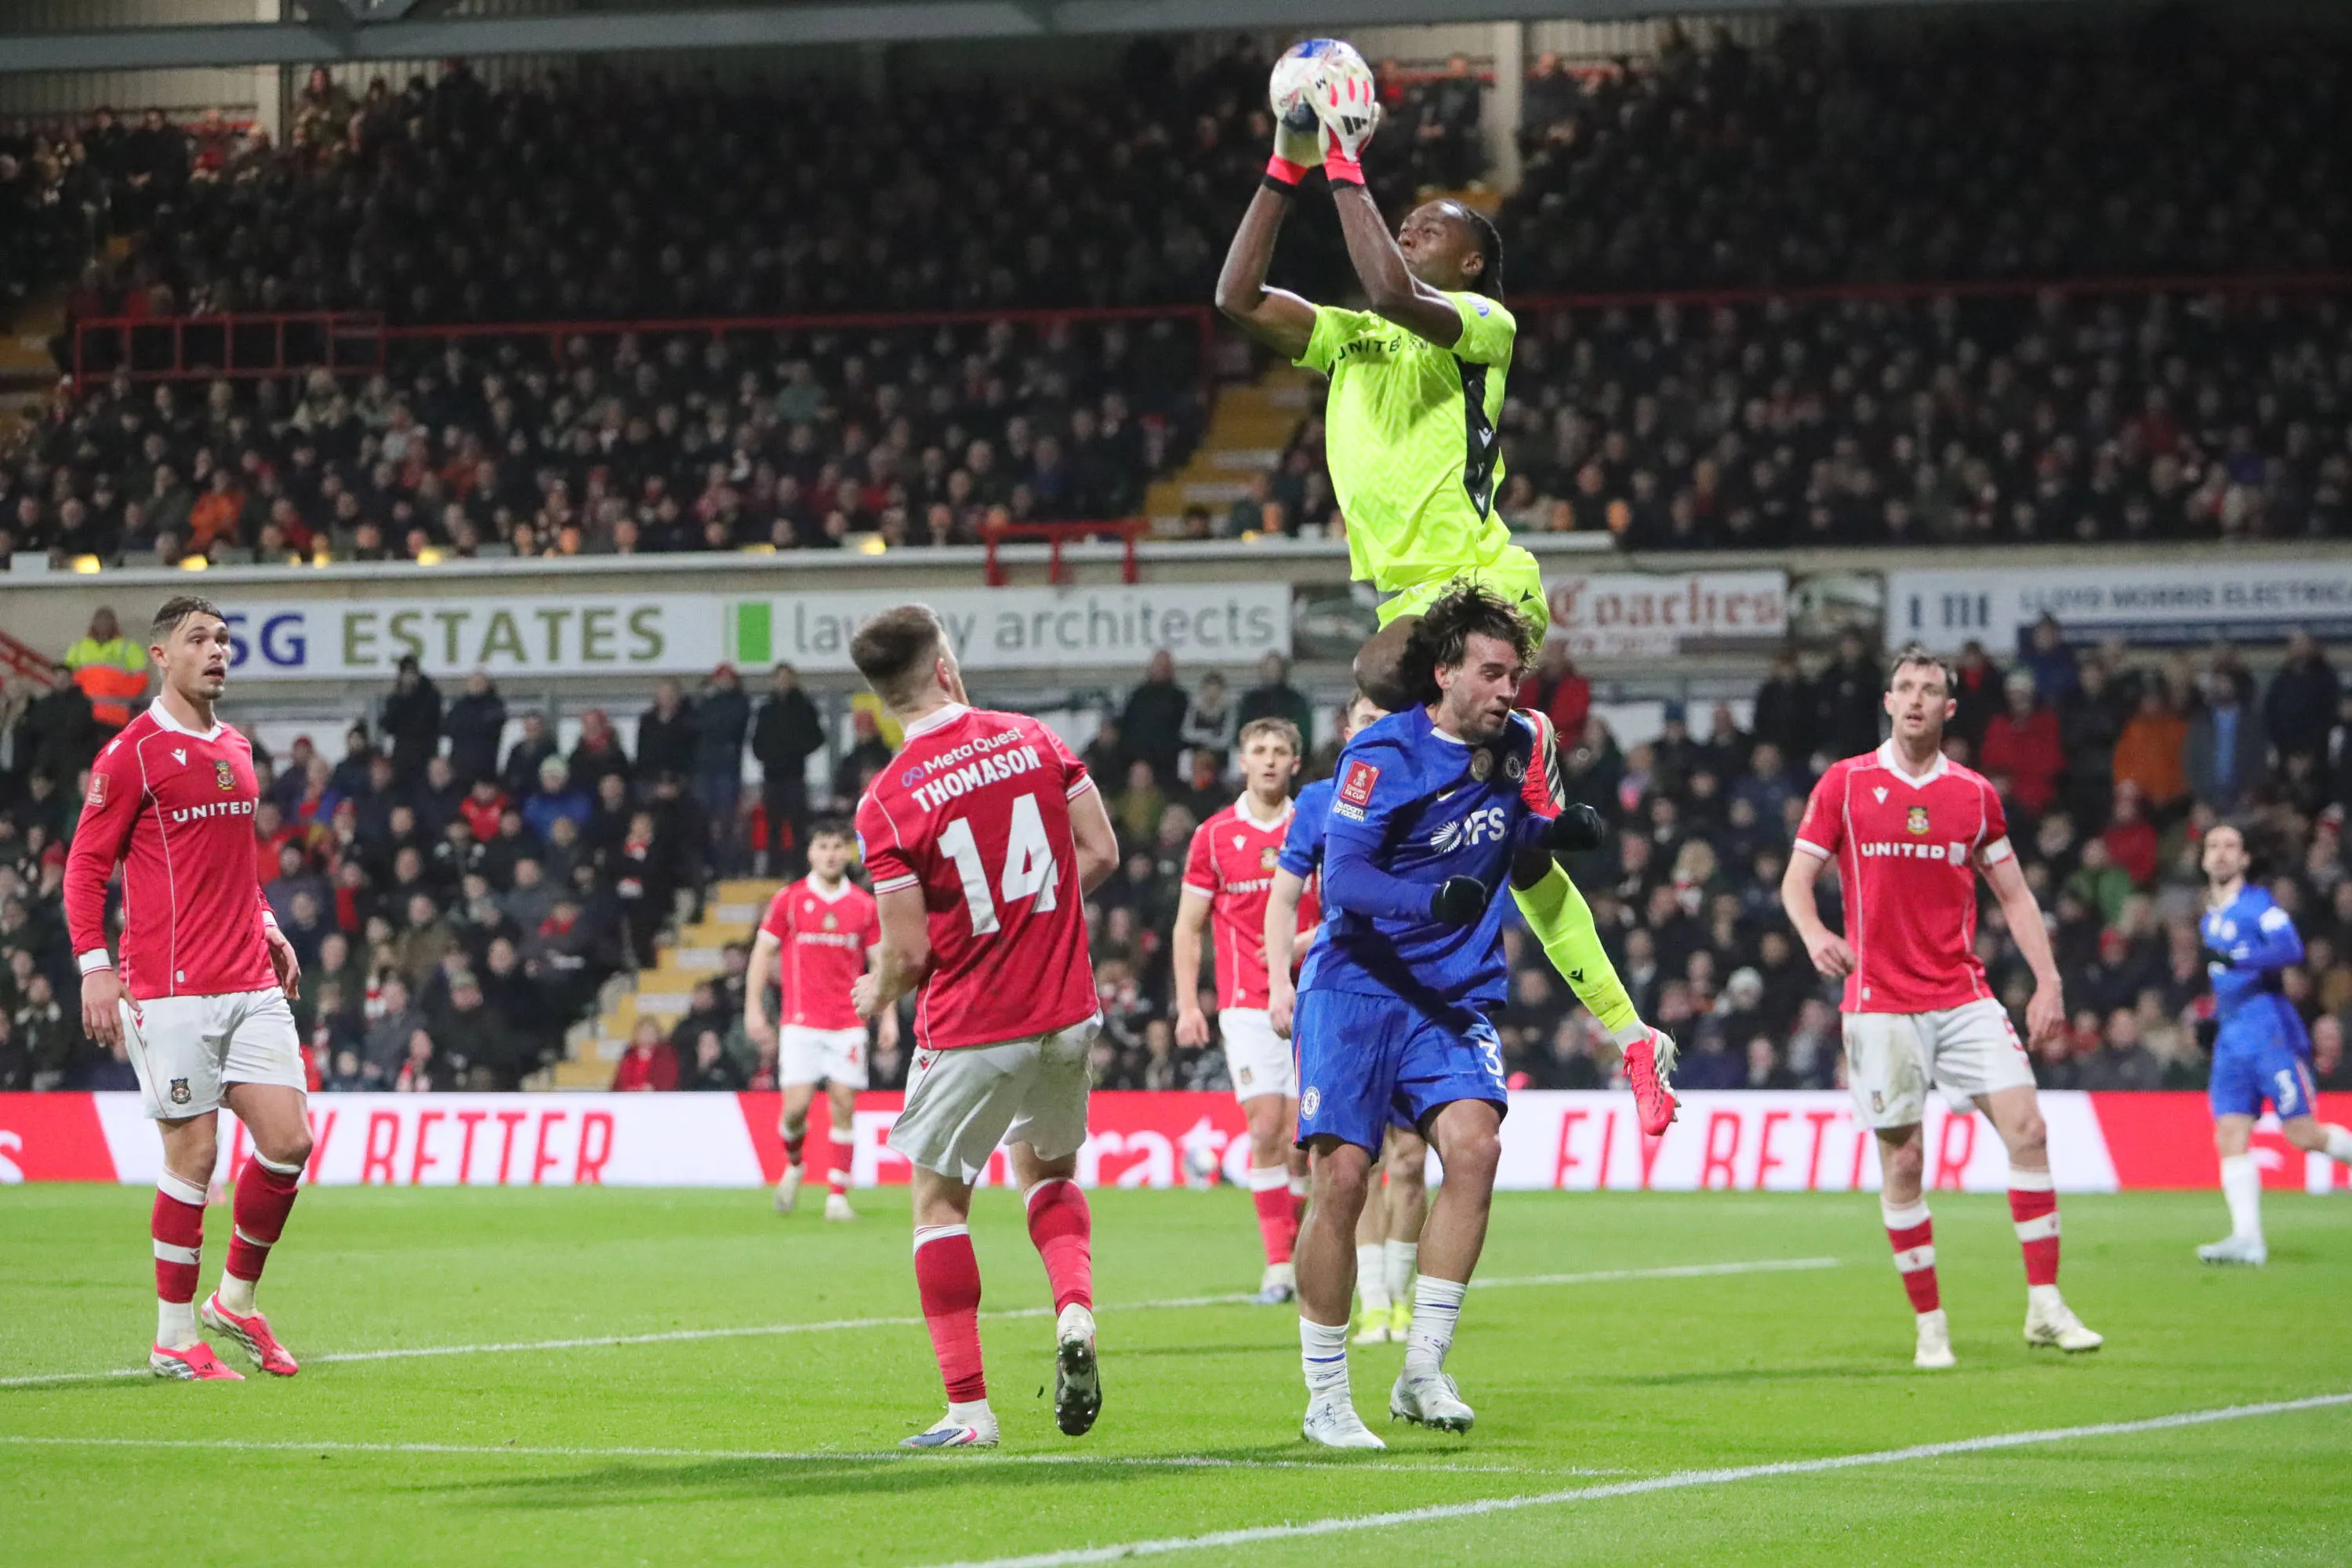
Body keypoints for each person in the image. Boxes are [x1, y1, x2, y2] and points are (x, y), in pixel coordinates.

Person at [1215, 70, 1673, 1129]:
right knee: (1511, 852)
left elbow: (1388, 289)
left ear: (1472, 258)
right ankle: (1631, 1031)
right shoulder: (1350, 336)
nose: (1409, 229)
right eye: (1402, 221)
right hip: (1412, 594)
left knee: (1376, 678)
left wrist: (1345, 161)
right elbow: (1235, 298)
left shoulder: (1479, 321)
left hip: (1478, 578)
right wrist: (1285, 165)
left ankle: (1537, 761)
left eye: (1431, 226)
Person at [1287, 586, 1636, 1447]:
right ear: (1443, 673)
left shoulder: (1519, 746)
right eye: (1491, 672)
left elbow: (1508, 841)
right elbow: (1349, 881)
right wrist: (1428, 897)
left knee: (1475, 1149)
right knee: (1341, 1180)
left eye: (1515, 673)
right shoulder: (1380, 753)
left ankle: (1422, 1368)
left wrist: (1555, 837)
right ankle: (1327, 1395)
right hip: (1357, 985)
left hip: (1452, 991)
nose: (1509, 689)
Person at [1779, 644, 2104, 1371]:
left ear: (1950, 709)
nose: (1917, 699)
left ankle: (2046, 1306)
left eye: (1930, 689)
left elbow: (2015, 896)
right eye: (1905, 688)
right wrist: (1814, 934)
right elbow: (1796, 881)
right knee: (1905, 1163)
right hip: (1878, 1003)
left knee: (2029, 1128)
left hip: (1962, 995)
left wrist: (2047, 980)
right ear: (1889, 703)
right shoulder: (1847, 784)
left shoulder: (1973, 795)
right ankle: (1930, 1323)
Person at [847, 604, 1120, 1450]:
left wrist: (875, 991)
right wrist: (1039, 926)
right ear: (946, 665)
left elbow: (909, 949)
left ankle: (969, 1409)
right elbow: (1101, 852)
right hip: (1068, 1008)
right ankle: (1075, 1310)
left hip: (973, 1021)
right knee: (1048, 1173)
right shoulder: (1034, 737)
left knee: (938, 1199)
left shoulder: (888, 800)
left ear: (887, 697)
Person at [62, 594, 310, 1382]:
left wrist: (268, 920)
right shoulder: (132, 752)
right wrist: (94, 965)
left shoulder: (236, 745)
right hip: (171, 987)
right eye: (199, 638)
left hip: (248, 974)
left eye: (225, 638)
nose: (218, 650)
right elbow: (85, 867)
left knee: (288, 1141)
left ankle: (234, 1300)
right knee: (194, 1151)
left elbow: (238, 865)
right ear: (160, 656)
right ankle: (173, 1335)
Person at [1265, 688, 1430, 1347]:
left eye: (1387, 720)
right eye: (1366, 720)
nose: (1376, 730)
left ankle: (1401, 1292)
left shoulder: (1428, 786)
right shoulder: (1318, 801)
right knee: (1349, 1161)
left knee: (1412, 1160)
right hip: (1347, 997)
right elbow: (1284, 899)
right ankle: (1376, 1301)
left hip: (1418, 988)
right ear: (1346, 729)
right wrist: (1281, 978)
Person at [1171, 717, 1312, 1304]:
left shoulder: (1316, 825)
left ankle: (1306, 1253)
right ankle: (1279, 1265)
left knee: (1306, 1139)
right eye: (1259, 750)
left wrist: (1306, 942)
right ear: (1243, 761)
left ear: (1295, 763)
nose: (1271, 760)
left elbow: (1347, 906)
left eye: (1281, 750)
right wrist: (1186, 1005)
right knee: (1265, 1128)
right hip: (1244, 1004)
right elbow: (1189, 926)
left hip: (1316, 997)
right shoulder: (1213, 835)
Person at [2194, 822, 2352, 1265]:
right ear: (2204, 859)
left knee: (2302, 1134)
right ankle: (2248, 1239)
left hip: (2270, 1035)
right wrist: (2212, 1018)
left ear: (2245, 859)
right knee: (2229, 1134)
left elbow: (2290, 948)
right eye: (2214, 846)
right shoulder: (2212, 916)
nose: (2221, 853)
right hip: (2231, 1039)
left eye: (2231, 846)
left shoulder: (2257, 905)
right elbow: (2225, 979)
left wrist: (2237, 959)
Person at [746, 819, 895, 1222]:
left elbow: (881, 965)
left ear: (847, 853)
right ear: (810, 853)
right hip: (800, 1022)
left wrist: (889, 1016)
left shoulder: (864, 905)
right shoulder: (790, 900)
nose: (830, 854)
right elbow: (762, 954)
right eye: (822, 846)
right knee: (795, 1110)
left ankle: (837, 1196)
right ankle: (794, 1165)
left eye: (837, 847)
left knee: (844, 1103)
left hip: (848, 1020)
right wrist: (754, 1007)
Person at [752, 663, 826, 876]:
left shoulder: (804, 707)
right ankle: (773, 872)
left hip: (795, 776)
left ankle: (800, 871)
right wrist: (766, 756)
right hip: (772, 777)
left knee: (798, 828)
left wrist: (797, 751)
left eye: (787, 678)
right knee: (773, 828)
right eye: (779, 678)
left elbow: (818, 737)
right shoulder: (766, 710)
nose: (783, 682)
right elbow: (756, 741)